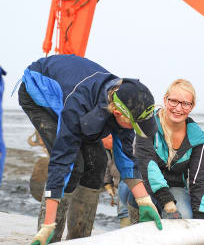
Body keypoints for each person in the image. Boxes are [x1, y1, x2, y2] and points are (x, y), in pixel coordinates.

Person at [17, 54, 162, 245]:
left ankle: (79, 240)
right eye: (134, 126)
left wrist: (144, 200)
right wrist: (48, 224)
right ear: (117, 113)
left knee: (98, 164)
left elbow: (126, 158)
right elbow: (61, 161)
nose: (133, 131)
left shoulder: (127, 100)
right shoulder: (78, 104)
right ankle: (50, 234)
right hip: (39, 95)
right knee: (74, 164)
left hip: (86, 102)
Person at [133, 79, 204, 219]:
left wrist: (201, 216)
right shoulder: (146, 125)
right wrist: (166, 201)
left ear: (192, 106)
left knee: (186, 214)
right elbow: (146, 164)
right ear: (165, 100)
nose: (179, 108)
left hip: (175, 187)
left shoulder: (197, 136)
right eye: (174, 101)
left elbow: (199, 179)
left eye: (186, 103)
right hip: (143, 184)